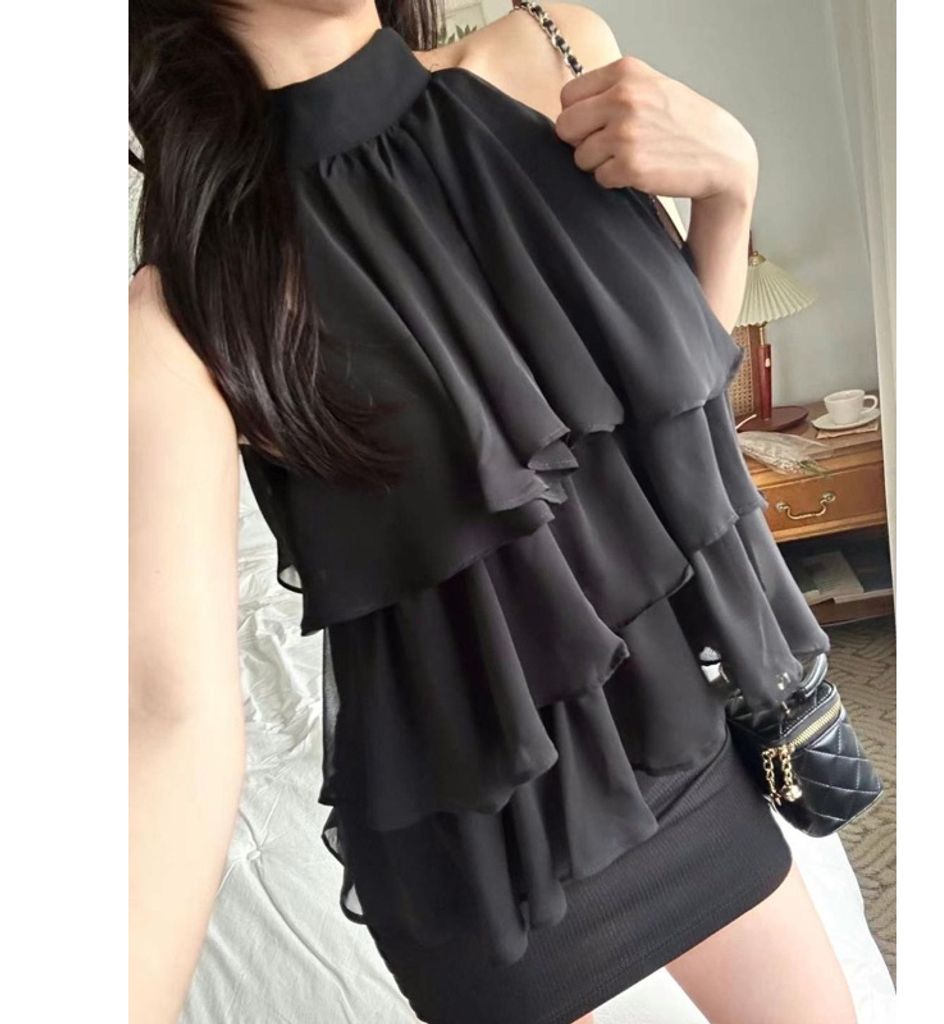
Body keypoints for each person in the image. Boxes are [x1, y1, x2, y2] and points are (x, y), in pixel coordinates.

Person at [128, 2, 857, 1023]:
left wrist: (731, 186)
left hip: (675, 736)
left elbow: (656, 399)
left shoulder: (556, 55)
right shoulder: (188, 301)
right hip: (481, 832)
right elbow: (169, 716)